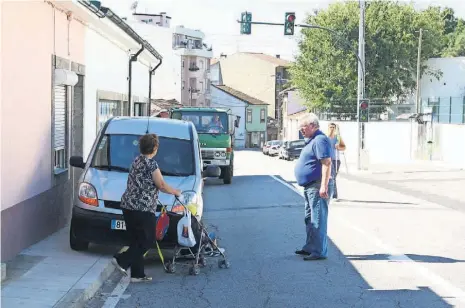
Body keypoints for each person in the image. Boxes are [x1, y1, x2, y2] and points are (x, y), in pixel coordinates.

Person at [112, 134, 181, 282]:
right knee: (148, 240)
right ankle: (121, 260)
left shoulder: (135, 161)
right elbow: (161, 185)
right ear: (155, 148)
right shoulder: (152, 165)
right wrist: (175, 191)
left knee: (136, 240)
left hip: (128, 206)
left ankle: (138, 274)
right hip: (142, 209)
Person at [294, 113, 332, 261]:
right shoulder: (312, 140)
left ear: (313, 125)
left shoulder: (320, 140)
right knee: (309, 219)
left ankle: (319, 251)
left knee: (318, 219)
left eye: (303, 127)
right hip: (310, 186)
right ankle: (310, 247)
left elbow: (326, 163)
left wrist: (323, 186)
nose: (301, 130)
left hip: (317, 185)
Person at [327, 123, 346, 201]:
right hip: (328, 159)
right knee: (332, 177)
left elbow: (344, 147)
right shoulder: (326, 138)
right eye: (330, 127)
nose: (332, 128)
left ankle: (332, 195)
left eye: (333, 127)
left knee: (333, 177)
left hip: (336, 160)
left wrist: (338, 147)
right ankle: (333, 195)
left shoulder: (338, 137)